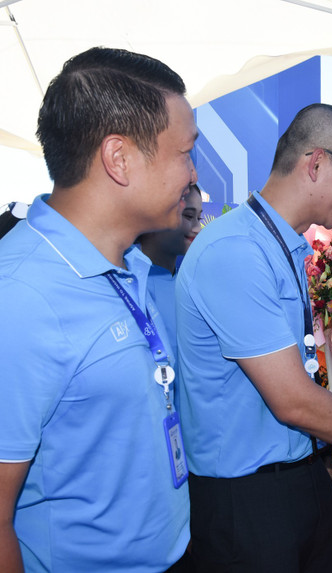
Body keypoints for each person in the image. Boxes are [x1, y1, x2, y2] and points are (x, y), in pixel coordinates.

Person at [176, 103, 332, 572]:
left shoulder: (279, 244)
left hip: (300, 478)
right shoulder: (236, 250)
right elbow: (293, 400)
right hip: (248, 502)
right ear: (316, 163)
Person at [0, 47, 197, 572]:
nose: (193, 172)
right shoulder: (20, 297)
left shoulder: (133, 267)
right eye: (184, 152)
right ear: (119, 158)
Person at [138, 183, 203, 357]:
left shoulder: (196, 284)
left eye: (199, 218)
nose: (197, 228)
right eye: (189, 216)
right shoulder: (133, 286)